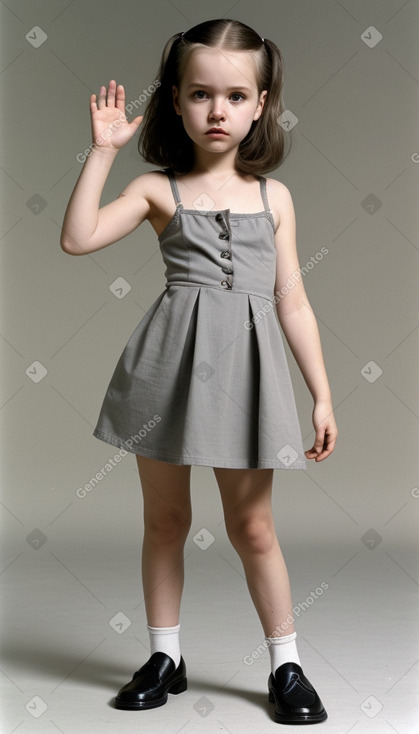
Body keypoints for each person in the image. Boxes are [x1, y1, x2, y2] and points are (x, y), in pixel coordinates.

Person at [60, 18, 337, 725]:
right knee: (166, 520)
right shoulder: (158, 190)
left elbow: (291, 300)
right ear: (175, 101)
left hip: (247, 378)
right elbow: (77, 238)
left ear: (261, 103)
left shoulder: (273, 199)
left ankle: (285, 664)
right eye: (199, 94)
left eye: (235, 96)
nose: (217, 111)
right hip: (166, 374)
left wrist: (322, 394)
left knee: (253, 528)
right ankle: (163, 655)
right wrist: (101, 151)